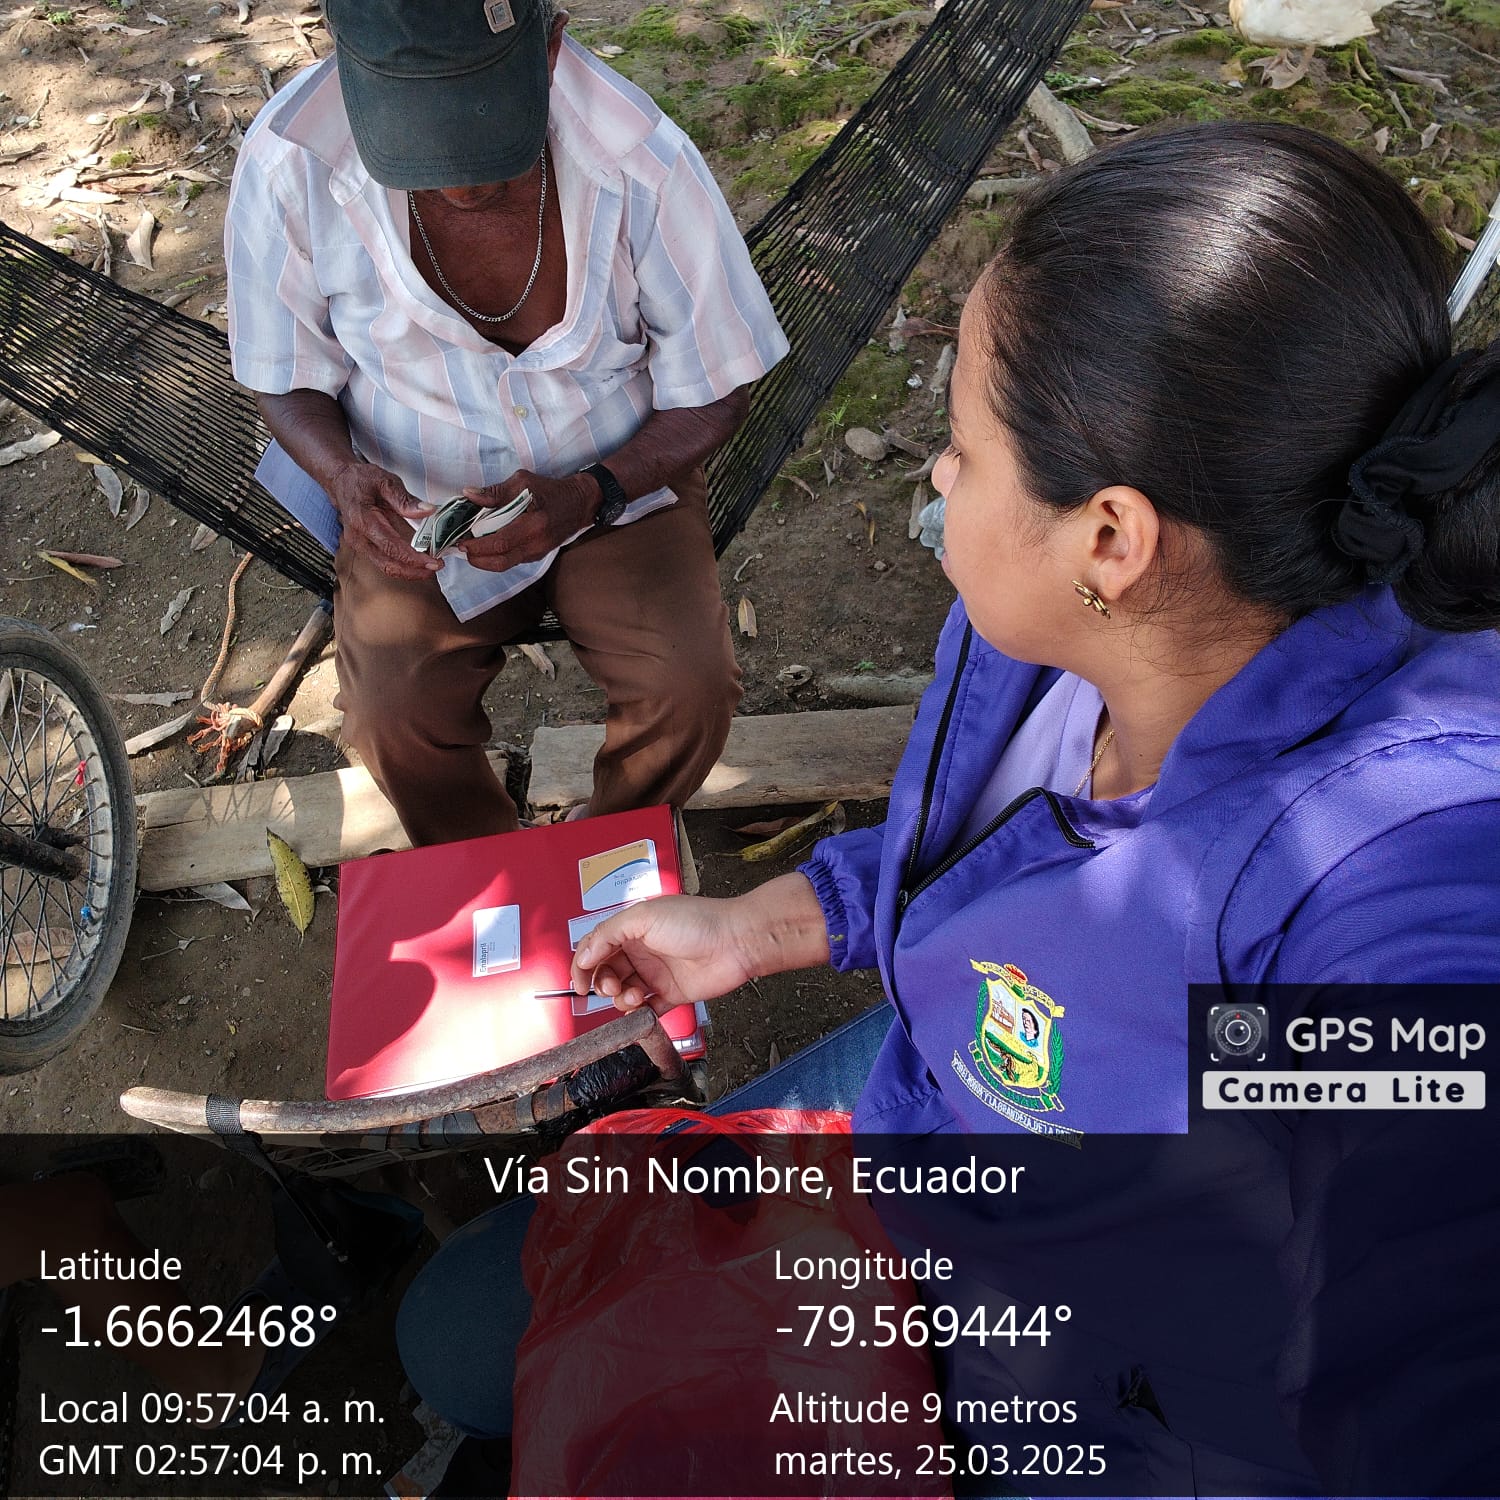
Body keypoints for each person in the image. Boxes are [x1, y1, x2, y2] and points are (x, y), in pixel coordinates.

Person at [398, 124, 1500, 1495]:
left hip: (1093, 1386)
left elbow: (1436, 1299)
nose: (937, 475)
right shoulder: (1055, 647)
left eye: (966, 446)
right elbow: (993, 863)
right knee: (461, 1336)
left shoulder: (1384, 861)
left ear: (1111, 538)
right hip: (940, 1108)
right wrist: (764, 926)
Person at [224, 0, 787, 846]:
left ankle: (603, 853)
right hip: (416, 499)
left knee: (687, 689)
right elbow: (285, 375)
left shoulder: (641, 159)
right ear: (351, 71)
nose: (459, 185)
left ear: (549, 45)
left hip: (618, 478)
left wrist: (592, 492)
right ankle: (486, 861)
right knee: (392, 715)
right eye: (415, 147)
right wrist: (342, 476)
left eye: (486, 134)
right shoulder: (288, 160)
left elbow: (717, 384)